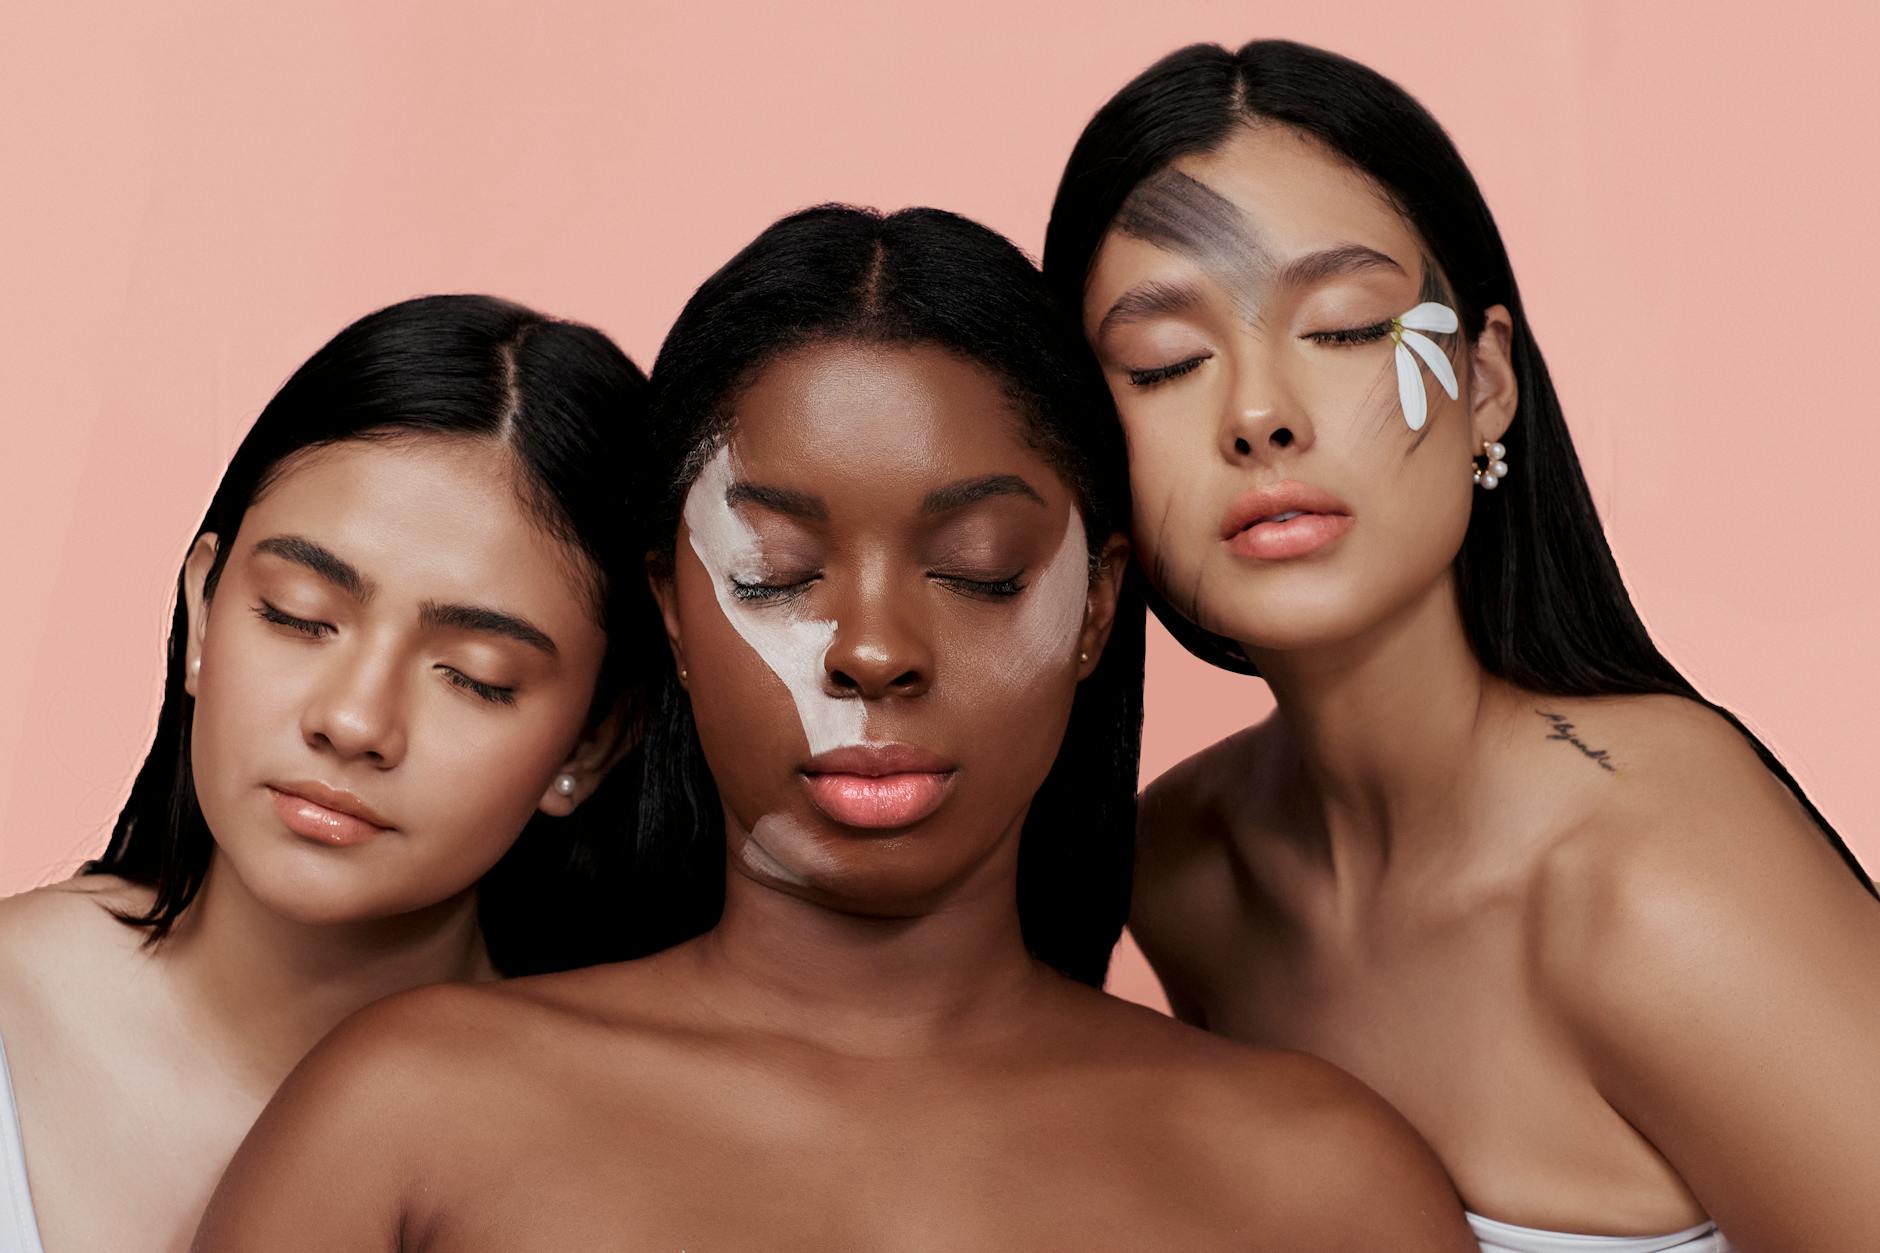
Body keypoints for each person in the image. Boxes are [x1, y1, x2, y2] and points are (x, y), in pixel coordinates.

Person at [191, 207, 1476, 1252]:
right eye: (773, 575)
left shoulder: (1321, 1184)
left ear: (1094, 607)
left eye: (976, 571)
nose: (870, 651)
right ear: (671, 608)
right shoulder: (406, 1117)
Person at [1043, 38, 1880, 1253]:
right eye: (1161, 362)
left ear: (1484, 382)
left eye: (1341, 329)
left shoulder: (1649, 880)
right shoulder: (1181, 872)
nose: (1257, 414)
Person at [0, 294, 651, 1252]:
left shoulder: (633, 1153)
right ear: (204, 610)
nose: (353, 721)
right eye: (300, 615)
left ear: (592, 740)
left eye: (475, 675)